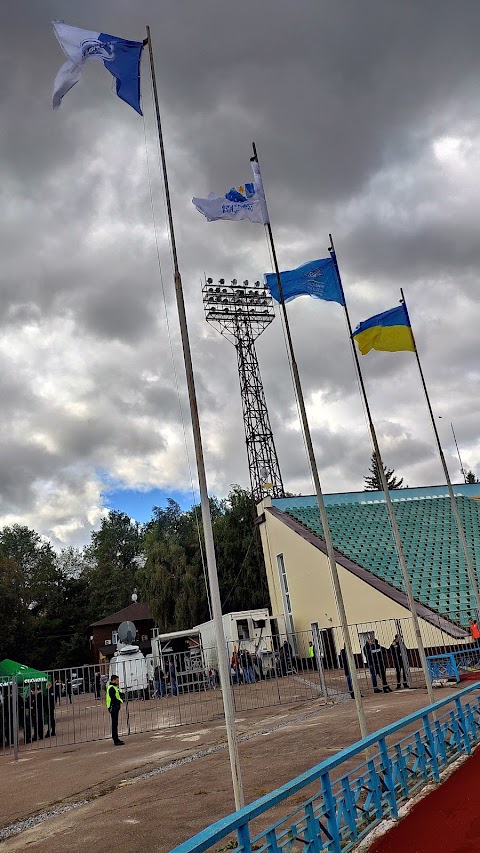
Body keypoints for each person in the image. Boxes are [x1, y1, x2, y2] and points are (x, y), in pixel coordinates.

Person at [106, 674, 125, 746]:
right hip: (113, 707)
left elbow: (117, 694)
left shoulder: (114, 687)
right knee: (114, 724)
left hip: (114, 707)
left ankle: (116, 739)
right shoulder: (111, 688)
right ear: (113, 680)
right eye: (117, 680)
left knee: (115, 724)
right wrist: (119, 701)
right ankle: (115, 740)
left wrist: (122, 694)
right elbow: (113, 698)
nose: (118, 682)